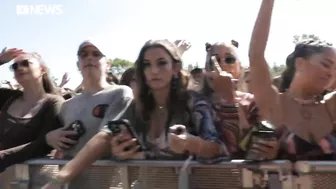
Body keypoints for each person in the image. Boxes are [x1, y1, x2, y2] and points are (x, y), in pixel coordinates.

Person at [42, 40, 224, 188]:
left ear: (175, 67)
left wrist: (192, 143)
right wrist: (59, 179)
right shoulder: (138, 106)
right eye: (147, 65)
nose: (154, 71)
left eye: (162, 63)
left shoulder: (192, 102)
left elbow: (218, 149)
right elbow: (104, 137)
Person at [249, 0, 336, 160]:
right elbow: (256, 56)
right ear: (300, 63)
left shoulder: (330, 107)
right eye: (326, 64)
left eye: (335, 69)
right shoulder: (273, 103)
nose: (331, 73)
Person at [44, 40, 133, 188]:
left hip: (110, 184)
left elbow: (106, 136)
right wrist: (49, 138)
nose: (89, 58)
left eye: (96, 54)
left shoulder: (121, 93)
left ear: (108, 64)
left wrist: (58, 178)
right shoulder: (66, 105)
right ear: (78, 64)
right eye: (83, 55)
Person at [0, 49, 64, 188]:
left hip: (41, 180)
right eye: (14, 66)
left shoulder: (54, 102)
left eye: (25, 63)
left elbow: (44, 144)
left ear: (42, 69)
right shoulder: (8, 98)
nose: (20, 68)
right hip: (7, 179)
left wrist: (3, 157)